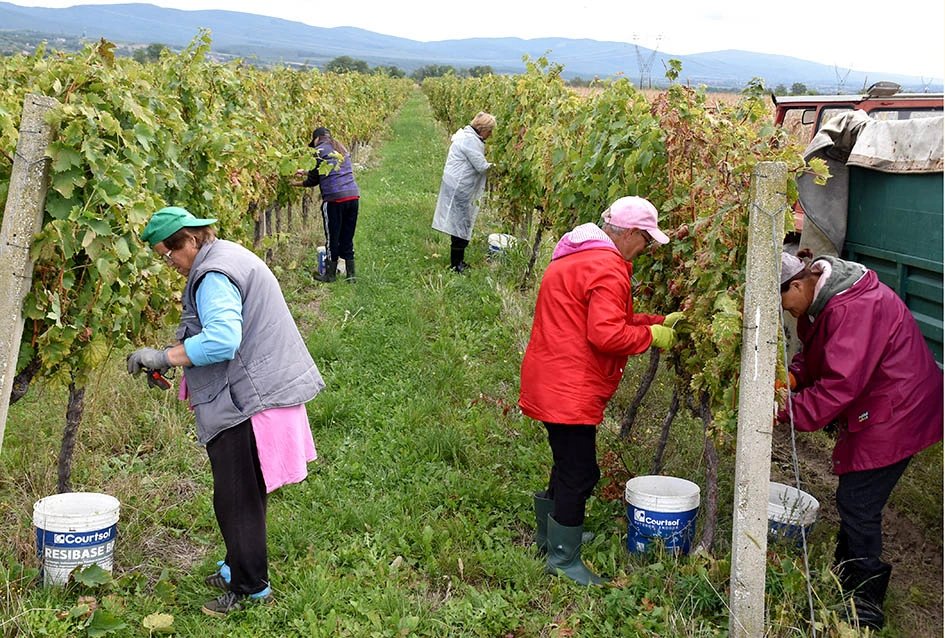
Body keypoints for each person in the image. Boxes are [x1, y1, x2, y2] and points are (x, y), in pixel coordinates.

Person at [126, 206, 326, 616]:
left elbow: (221, 341)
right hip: (257, 389)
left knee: (236, 499)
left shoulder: (213, 275)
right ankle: (239, 565)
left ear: (191, 240)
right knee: (242, 496)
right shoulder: (224, 255)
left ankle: (250, 586)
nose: (170, 265)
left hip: (249, 400)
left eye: (168, 255)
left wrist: (165, 356)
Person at [519, 196, 686, 585]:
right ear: (628, 233)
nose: (644, 250)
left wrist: (659, 321)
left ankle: (551, 536)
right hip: (570, 387)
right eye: (645, 241)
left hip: (552, 377)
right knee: (580, 473)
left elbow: (607, 317)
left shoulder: (576, 255)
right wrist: (651, 336)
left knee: (567, 463)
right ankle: (563, 557)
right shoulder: (609, 267)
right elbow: (607, 333)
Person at [777, 249, 942, 630]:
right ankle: (846, 570)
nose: (787, 313)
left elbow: (838, 386)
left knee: (858, 499)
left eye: (785, 303)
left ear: (798, 284)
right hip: (883, 398)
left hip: (900, 407)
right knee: (855, 495)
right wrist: (796, 378)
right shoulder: (823, 297)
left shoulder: (854, 309)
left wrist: (781, 411)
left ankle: (865, 601)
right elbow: (817, 352)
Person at [291, 126, 361, 283]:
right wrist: (307, 171)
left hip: (334, 200)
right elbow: (326, 169)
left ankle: (330, 275)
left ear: (316, 139)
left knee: (332, 239)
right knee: (347, 237)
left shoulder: (318, 151)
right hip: (353, 197)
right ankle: (351, 276)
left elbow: (314, 180)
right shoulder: (340, 147)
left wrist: (296, 183)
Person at [431, 112, 496, 272]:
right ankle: (456, 265)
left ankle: (458, 261)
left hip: (457, 185)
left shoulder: (469, 137)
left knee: (459, 223)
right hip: (459, 187)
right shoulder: (470, 141)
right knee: (460, 223)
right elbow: (481, 166)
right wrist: (502, 167)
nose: (491, 134)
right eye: (490, 131)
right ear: (482, 129)